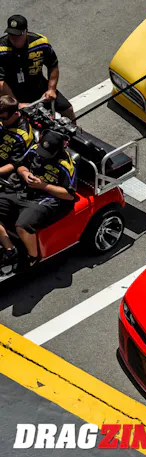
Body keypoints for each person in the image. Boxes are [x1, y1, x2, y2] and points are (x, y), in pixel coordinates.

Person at [0, 129, 77, 268]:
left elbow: (69, 195)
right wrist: (25, 174)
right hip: (24, 192)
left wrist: (43, 185)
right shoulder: (35, 150)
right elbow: (20, 165)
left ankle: (32, 257)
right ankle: (10, 250)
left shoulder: (66, 165)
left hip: (47, 199)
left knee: (23, 225)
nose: (42, 155)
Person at [0, 15, 76, 121]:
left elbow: (53, 65)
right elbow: (1, 82)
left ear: (26, 31)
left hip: (39, 87)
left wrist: (51, 89)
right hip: (12, 93)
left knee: (68, 110)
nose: (14, 39)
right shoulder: (1, 50)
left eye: (18, 35)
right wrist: (17, 104)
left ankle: (75, 130)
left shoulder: (40, 43)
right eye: (11, 35)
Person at [0, 94, 34, 181]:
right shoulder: (3, 119)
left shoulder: (23, 136)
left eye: (3, 118)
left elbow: (15, 163)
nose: (1, 121)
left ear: (15, 113)